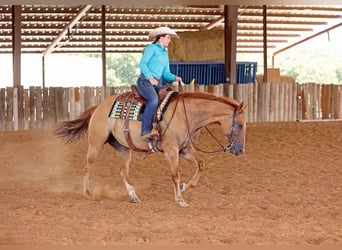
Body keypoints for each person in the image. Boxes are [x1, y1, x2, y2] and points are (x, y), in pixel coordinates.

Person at [136, 27, 182, 141]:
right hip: (144, 81)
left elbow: (166, 73)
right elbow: (142, 64)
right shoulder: (151, 48)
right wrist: (150, 77)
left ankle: (160, 127)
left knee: (168, 99)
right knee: (154, 100)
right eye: (168, 37)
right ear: (160, 38)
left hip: (156, 83)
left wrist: (175, 77)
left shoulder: (164, 54)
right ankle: (145, 131)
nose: (169, 40)